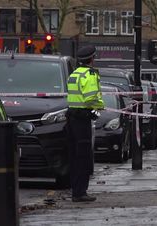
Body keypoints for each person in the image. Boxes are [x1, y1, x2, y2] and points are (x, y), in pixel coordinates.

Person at [66, 45, 104, 202]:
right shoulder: (90, 75)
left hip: (73, 117)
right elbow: (90, 98)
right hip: (83, 119)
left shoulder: (74, 74)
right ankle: (80, 192)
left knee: (75, 156)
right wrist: (99, 107)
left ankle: (76, 190)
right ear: (92, 59)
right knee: (84, 156)